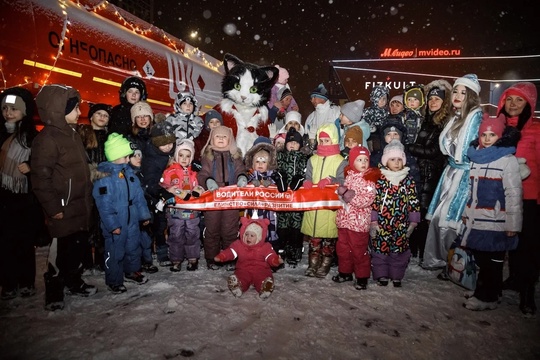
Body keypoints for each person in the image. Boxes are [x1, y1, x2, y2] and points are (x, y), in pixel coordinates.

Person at [32, 84, 96, 311]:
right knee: (59, 253)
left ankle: (74, 281)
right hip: (62, 207)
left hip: (79, 206)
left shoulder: (72, 134)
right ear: (59, 110)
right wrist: (52, 207)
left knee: (76, 249)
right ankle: (54, 292)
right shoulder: (47, 139)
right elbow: (40, 178)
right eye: (76, 108)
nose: (80, 113)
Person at [461, 114, 522, 311]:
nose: (487, 138)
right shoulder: (476, 158)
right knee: (482, 258)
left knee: (492, 261)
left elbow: (513, 194)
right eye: (484, 134)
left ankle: (487, 296)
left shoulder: (507, 160)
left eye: (492, 134)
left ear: (501, 136)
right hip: (477, 217)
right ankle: (488, 290)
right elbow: (470, 190)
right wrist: (466, 211)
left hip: (497, 220)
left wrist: (513, 224)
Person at [422, 74, 483, 271]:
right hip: (450, 173)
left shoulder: (476, 116)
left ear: (471, 95)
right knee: (440, 217)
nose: (457, 95)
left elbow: (468, 150)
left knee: (453, 220)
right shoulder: (456, 117)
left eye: (463, 92)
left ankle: (455, 263)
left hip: (464, 175)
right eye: (455, 91)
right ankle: (438, 259)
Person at [496, 82, 540, 316]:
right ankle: (513, 278)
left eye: (519, 100)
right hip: (501, 194)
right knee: (509, 241)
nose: (513, 104)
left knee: (528, 245)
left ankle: (527, 291)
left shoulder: (536, 130)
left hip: (528, 197)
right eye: (509, 99)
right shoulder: (498, 128)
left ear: (528, 104)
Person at [93, 133, 151, 293]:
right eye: (125, 156)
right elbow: (103, 205)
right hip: (117, 219)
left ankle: (131, 271)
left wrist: (144, 215)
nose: (128, 159)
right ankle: (114, 279)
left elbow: (138, 196)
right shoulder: (105, 177)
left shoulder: (129, 173)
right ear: (116, 156)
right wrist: (112, 225)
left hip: (132, 217)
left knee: (133, 247)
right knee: (115, 251)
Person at [0, 87, 40, 300]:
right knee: (4, 243)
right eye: (5, 108)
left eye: (14, 108)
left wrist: (31, 166)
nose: (8, 113)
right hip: (4, 197)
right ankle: (8, 283)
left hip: (24, 198)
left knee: (24, 242)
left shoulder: (32, 136)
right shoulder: (1, 134)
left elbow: (42, 162)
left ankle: (26, 282)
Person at [407, 80, 452, 264]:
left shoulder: (443, 123)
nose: (433, 102)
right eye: (431, 98)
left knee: (426, 213)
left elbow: (435, 151)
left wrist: (411, 148)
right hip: (420, 171)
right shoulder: (426, 121)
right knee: (415, 210)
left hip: (432, 173)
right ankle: (414, 249)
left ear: (444, 102)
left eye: (437, 99)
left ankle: (423, 251)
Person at [370, 140, 420, 287]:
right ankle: (381, 275)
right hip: (382, 224)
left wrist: (413, 221)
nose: (397, 163)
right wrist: (373, 221)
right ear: (386, 161)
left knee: (399, 250)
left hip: (401, 224)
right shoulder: (380, 180)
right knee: (380, 249)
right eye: (392, 159)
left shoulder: (408, 181)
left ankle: (396, 275)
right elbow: (375, 201)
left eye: (399, 159)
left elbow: (413, 202)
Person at [197, 125, 247, 269]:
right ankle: (212, 258)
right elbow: (202, 174)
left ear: (230, 139)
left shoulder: (235, 155)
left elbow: (240, 170)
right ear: (212, 138)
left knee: (230, 229)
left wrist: (242, 177)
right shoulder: (208, 156)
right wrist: (208, 181)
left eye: (224, 137)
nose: (220, 139)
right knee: (212, 229)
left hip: (231, 197)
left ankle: (229, 256)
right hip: (213, 196)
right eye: (217, 136)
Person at [301, 123, 346, 278]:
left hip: (329, 208)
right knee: (314, 239)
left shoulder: (340, 160)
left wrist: (330, 180)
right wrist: (306, 181)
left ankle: (325, 264)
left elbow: (343, 180)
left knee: (328, 241)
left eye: (327, 140)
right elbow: (308, 176)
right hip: (313, 206)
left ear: (333, 140)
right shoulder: (312, 159)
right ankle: (312, 264)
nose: (323, 144)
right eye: (321, 141)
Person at [334, 146, 379, 290]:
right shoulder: (348, 177)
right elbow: (341, 196)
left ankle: (362, 276)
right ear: (352, 162)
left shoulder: (369, 179)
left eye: (366, 160)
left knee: (359, 251)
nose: (363, 163)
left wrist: (346, 193)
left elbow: (365, 200)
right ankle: (345, 272)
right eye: (359, 160)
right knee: (343, 249)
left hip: (359, 224)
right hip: (344, 221)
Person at [76, 103, 112, 275]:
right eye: (99, 114)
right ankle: (84, 261)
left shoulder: (110, 137)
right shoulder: (82, 134)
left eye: (105, 115)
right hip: (87, 183)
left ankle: (100, 259)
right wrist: (92, 172)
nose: (102, 117)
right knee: (86, 223)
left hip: (105, 184)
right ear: (91, 117)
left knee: (101, 221)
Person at [159, 139, 204, 272]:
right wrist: (173, 190)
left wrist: (198, 190)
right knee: (176, 235)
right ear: (176, 155)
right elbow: (164, 185)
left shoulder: (194, 172)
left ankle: (192, 258)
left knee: (192, 234)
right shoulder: (169, 171)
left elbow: (200, 185)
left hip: (192, 211)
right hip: (175, 211)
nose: (184, 159)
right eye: (181, 155)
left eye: (188, 156)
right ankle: (176, 259)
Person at [214, 218, 283, 299]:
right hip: (243, 269)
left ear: (259, 237)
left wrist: (275, 260)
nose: (248, 238)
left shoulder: (265, 247)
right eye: (246, 234)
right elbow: (231, 252)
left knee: (262, 277)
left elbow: (270, 256)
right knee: (241, 277)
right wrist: (222, 256)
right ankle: (238, 287)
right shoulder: (239, 245)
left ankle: (265, 287)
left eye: (252, 235)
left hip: (261, 270)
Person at [141, 120, 177, 267]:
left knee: (165, 224)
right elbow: (149, 183)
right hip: (153, 198)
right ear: (156, 143)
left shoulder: (170, 154)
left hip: (164, 196)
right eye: (163, 143)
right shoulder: (151, 159)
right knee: (156, 226)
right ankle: (155, 255)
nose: (168, 146)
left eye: (170, 142)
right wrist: (162, 191)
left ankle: (164, 251)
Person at [276, 129, 310, 266]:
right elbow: (276, 169)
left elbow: (307, 172)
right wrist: (279, 177)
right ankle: (281, 251)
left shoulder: (304, 157)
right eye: (290, 142)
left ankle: (295, 252)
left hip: (298, 200)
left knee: (296, 226)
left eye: (296, 143)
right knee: (282, 225)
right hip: (283, 199)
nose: (292, 145)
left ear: (300, 145)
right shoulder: (280, 156)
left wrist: (301, 178)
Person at [244, 139, 285, 253]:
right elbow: (244, 183)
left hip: (269, 211)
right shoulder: (251, 174)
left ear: (269, 163)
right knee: (253, 229)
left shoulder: (273, 175)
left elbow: (278, 186)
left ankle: (270, 253)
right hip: (254, 210)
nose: (260, 164)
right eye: (257, 161)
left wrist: (271, 183)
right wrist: (251, 183)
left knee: (269, 230)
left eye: (264, 162)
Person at [304, 83, 341, 148]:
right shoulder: (311, 117)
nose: (312, 101)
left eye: (314, 97)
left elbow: (341, 133)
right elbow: (307, 137)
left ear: (322, 98)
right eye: (311, 98)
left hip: (333, 150)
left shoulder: (336, 112)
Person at [362, 85, 390, 153]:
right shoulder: (367, 112)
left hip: (384, 142)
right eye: (379, 98)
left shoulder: (388, 112)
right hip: (370, 142)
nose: (382, 101)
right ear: (374, 98)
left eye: (384, 98)